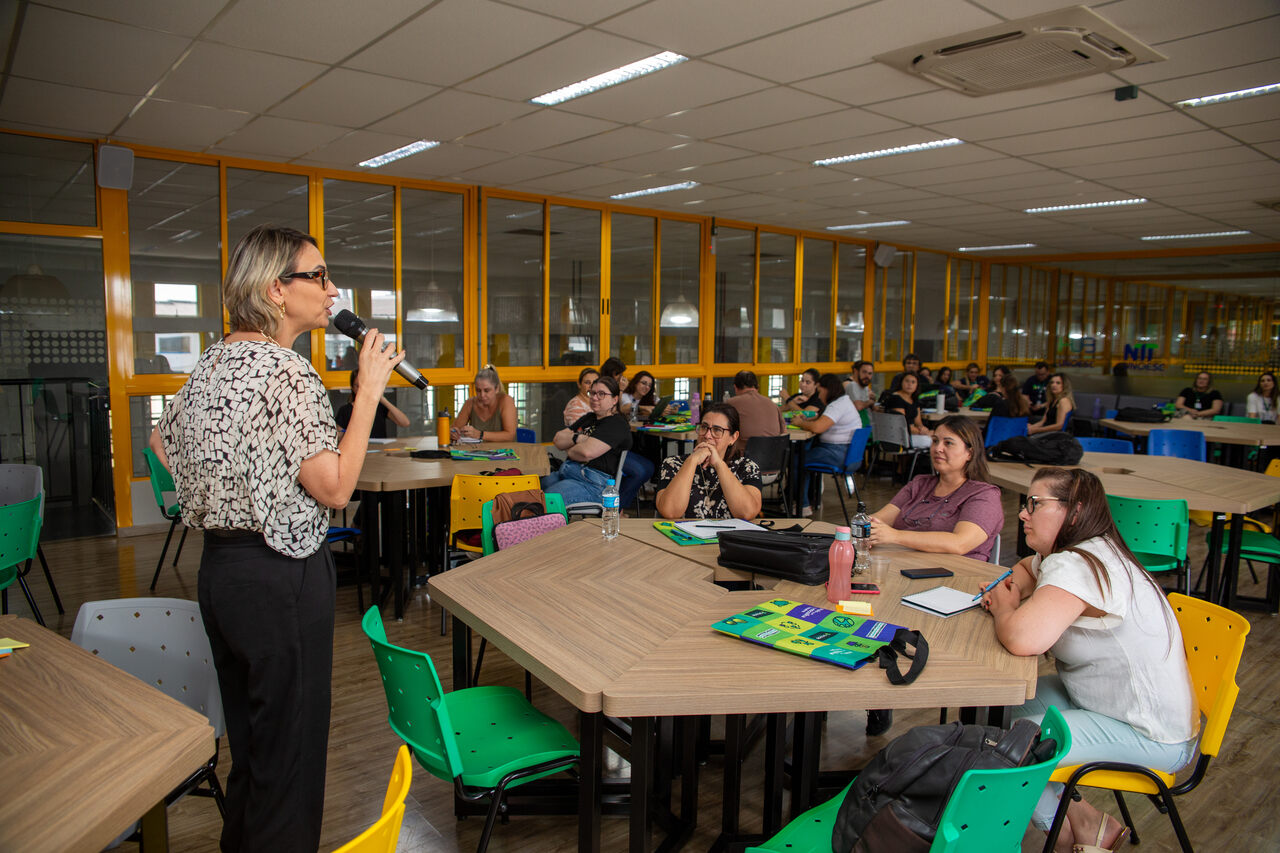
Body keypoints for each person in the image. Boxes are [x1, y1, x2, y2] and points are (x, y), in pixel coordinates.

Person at [150, 224, 404, 852]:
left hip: (221, 573)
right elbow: (336, 489)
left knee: (254, 748)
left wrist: (231, 484)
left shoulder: (212, 363)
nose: (332, 289)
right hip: (280, 576)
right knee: (289, 756)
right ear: (275, 289)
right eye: (318, 276)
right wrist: (369, 392)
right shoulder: (289, 373)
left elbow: (160, 441)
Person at [982, 467, 1198, 853]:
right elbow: (1025, 571)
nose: (1023, 513)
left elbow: (1022, 639)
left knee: (1014, 744)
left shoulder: (1078, 564)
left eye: (1035, 504)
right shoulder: (1079, 551)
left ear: (1075, 511)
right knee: (996, 708)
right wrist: (1007, 589)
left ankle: (1060, 835)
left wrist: (1004, 607)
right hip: (1110, 704)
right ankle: (1086, 821)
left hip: (1149, 733)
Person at [866, 415, 1003, 561]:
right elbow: (880, 519)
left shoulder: (984, 495)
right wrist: (866, 525)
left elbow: (959, 543)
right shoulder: (920, 484)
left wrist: (895, 536)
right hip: (908, 564)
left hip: (957, 572)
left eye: (948, 443)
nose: (938, 448)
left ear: (970, 453)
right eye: (935, 441)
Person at [655, 403, 762, 520]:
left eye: (717, 430)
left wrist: (719, 464)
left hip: (730, 532)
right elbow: (670, 512)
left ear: (733, 437)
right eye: (704, 427)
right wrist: (692, 461)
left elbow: (747, 513)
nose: (707, 435)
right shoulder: (673, 464)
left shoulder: (746, 467)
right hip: (685, 532)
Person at [542, 375, 632, 504]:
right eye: (592, 393)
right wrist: (578, 438)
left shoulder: (616, 424)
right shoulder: (589, 418)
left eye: (601, 394)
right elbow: (558, 440)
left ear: (614, 399)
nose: (594, 397)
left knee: (548, 499)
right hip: (570, 472)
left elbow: (586, 453)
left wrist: (570, 448)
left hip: (594, 484)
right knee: (537, 488)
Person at [791, 373, 863, 517]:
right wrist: (811, 420)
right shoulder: (843, 402)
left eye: (820, 391)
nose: (818, 395)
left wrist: (800, 423)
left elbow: (818, 428)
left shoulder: (838, 405)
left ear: (828, 389)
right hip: (846, 454)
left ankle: (802, 505)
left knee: (796, 460)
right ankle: (807, 501)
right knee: (805, 455)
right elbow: (823, 421)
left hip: (838, 453)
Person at [595, 357, 655, 507]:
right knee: (639, 471)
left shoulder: (613, 390)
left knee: (649, 467)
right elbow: (616, 411)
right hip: (607, 450)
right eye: (619, 375)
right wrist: (620, 390)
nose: (622, 378)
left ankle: (620, 503)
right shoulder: (604, 391)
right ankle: (616, 507)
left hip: (618, 448)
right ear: (614, 374)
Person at [335, 367, 409, 438]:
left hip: (379, 446)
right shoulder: (345, 410)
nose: (361, 389)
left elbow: (405, 423)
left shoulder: (379, 406)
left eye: (364, 385)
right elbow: (339, 435)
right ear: (352, 387)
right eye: (357, 386)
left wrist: (383, 399)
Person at [726, 369, 786, 453]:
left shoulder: (731, 403)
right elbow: (783, 433)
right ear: (757, 386)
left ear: (735, 387)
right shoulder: (773, 404)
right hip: (774, 458)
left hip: (743, 458)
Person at [453, 364, 517, 442]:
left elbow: (510, 435)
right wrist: (453, 433)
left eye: (487, 391)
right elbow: (455, 429)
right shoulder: (470, 403)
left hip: (504, 449)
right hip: (477, 449)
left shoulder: (506, 401)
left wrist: (480, 435)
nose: (482, 395)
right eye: (478, 390)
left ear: (497, 389)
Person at [882, 372, 933, 448]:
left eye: (913, 382)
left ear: (917, 385)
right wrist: (922, 432)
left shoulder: (914, 399)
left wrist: (925, 430)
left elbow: (918, 423)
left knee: (937, 437)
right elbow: (901, 425)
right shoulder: (896, 398)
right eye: (907, 381)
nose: (909, 384)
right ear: (901, 382)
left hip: (913, 434)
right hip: (899, 436)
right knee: (933, 442)